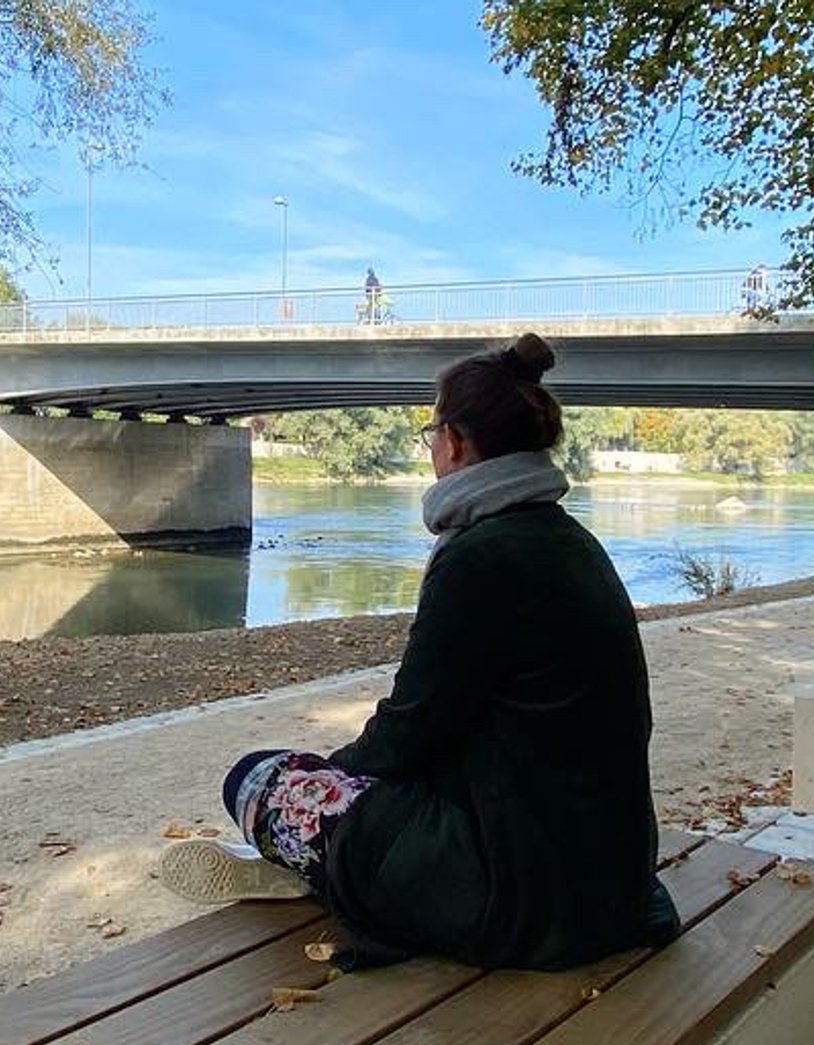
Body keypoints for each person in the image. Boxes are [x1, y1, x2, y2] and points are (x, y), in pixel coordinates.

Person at [159, 333, 678, 971]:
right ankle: (333, 860)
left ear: (454, 441)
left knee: (257, 778)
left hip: (524, 900)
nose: (431, 446)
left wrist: (331, 778)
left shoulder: (479, 555)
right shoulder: (570, 540)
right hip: (611, 878)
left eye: (430, 432)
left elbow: (410, 728)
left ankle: (322, 867)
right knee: (332, 793)